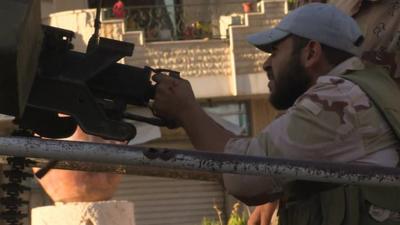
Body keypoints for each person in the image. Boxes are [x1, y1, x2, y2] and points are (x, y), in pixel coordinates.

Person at [152, 3, 400, 225]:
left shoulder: (337, 99)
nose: (266, 64)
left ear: (311, 53)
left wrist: (186, 110)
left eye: (275, 50)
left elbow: (245, 177)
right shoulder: (359, 88)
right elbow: (250, 156)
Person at [249, 1, 400, 224]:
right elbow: (303, 89)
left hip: (379, 192)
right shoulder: (321, 5)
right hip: (316, 190)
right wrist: (275, 177)